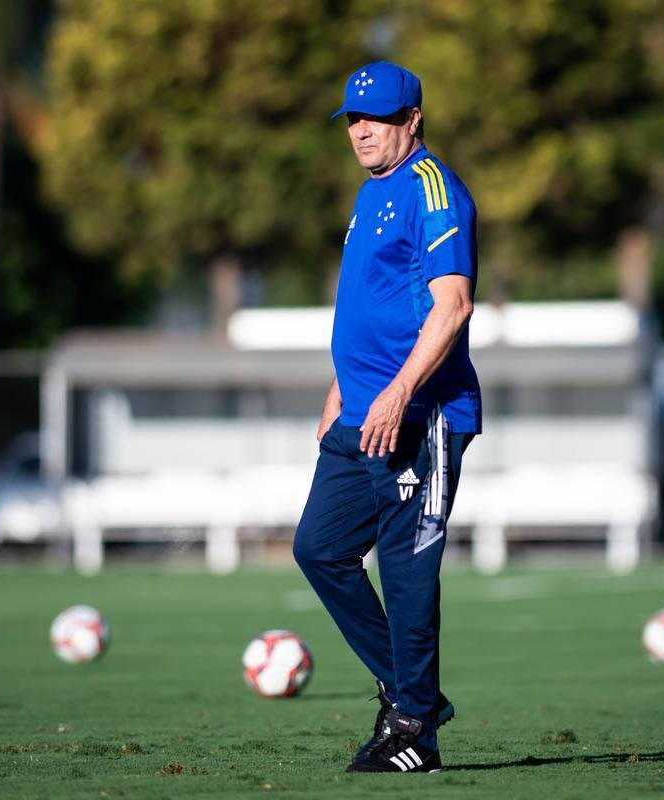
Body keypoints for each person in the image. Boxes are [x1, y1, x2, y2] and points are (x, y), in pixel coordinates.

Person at [292, 61, 481, 774]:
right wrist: (341, 386)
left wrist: (400, 393)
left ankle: (413, 732)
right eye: (353, 120)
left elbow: (452, 305)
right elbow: (370, 305)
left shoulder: (434, 189)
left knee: (405, 574)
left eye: (377, 119)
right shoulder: (370, 194)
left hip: (418, 417)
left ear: (414, 120)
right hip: (358, 413)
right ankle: (412, 691)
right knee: (319, 549)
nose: (363, 131)